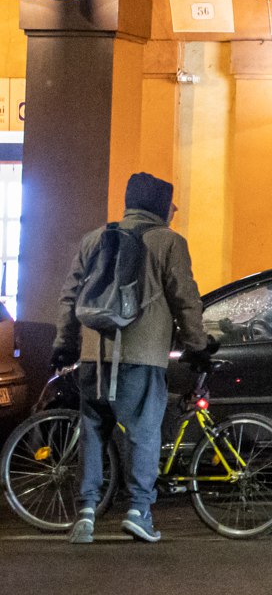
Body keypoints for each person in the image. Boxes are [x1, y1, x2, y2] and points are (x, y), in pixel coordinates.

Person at [52, 172, 210, 545]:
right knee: (143, 433)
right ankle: (139, 511)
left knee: (93, 431)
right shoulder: (169, 243)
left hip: (94, 356)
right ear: (158, 205)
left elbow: (69, 296)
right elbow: (185, 298)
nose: (173, 212)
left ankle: (87, 514)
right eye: (170, 204)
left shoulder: (95, 239)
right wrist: (197, 344)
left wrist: (64, 344)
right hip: (142, 357)